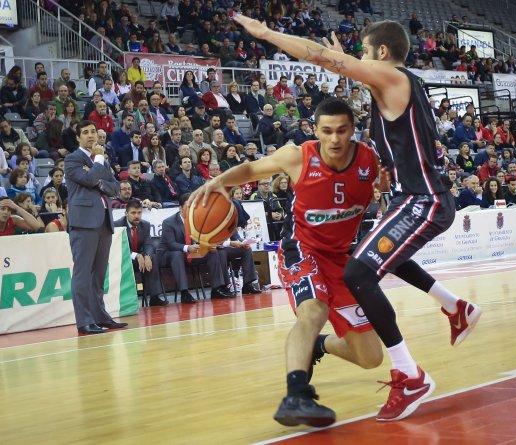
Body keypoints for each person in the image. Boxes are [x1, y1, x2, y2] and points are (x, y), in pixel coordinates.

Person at [234, 15, 482, 422]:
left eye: (365, 54)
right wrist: (347, 58)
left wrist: (267, 35)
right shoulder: (398, 85)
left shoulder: (394, 80)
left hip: (423, 199)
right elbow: (354, 70)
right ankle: (454, 307)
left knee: (359, 273)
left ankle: (409, 373)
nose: (360, 60)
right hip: (413, 197)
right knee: (377, 256)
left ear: (381, 53)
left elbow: (318, 57)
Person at [189, 99, 384, 426]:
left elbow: (384, 186)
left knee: (371, 358)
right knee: (314, 310)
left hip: (341, 259)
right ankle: (296, 395)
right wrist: (217, 182)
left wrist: (383, 189)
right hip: (301, 249)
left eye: (342, 131)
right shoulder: (298, 156)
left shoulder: (369, 160)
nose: (335, 139)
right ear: (315, 130)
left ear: (353, 130)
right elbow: (251, 169)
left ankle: (319, 345)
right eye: (327, 131)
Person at [65, 120, 127, 335]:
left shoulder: (102, 160)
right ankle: (84, 321)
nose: (91, 136)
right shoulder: (73, 159)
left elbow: (115, 188)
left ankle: (100, 316)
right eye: (86, 133)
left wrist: (99, 181)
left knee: (99, 275)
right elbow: (90, 179)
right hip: (83, 222)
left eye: (93, 131)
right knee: (82, 274)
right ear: (78, 138)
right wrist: (99, 164)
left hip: (104, 221)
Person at [157, 193, 235, 303]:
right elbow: (170, 244)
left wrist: (207, 246)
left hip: (191, 252)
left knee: (214, 252)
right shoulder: (169, 222)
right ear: (180, 208)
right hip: (170, 254)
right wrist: (188, 247)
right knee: (177, 255)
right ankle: (184, 293)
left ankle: (217, 289)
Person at [114, 199, 168, 306]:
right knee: (132, 260)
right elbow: (119, 248)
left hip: (140, 260)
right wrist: (136, 255)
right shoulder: (118, 225)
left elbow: (149, 243)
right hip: (123, 259)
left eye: (139, 213)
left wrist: (147, 255)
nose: (136, 216)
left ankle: (154, 297)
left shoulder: (145, 225)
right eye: (133, 213)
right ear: (126, 213)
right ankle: (128, 300)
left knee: (153, 258)